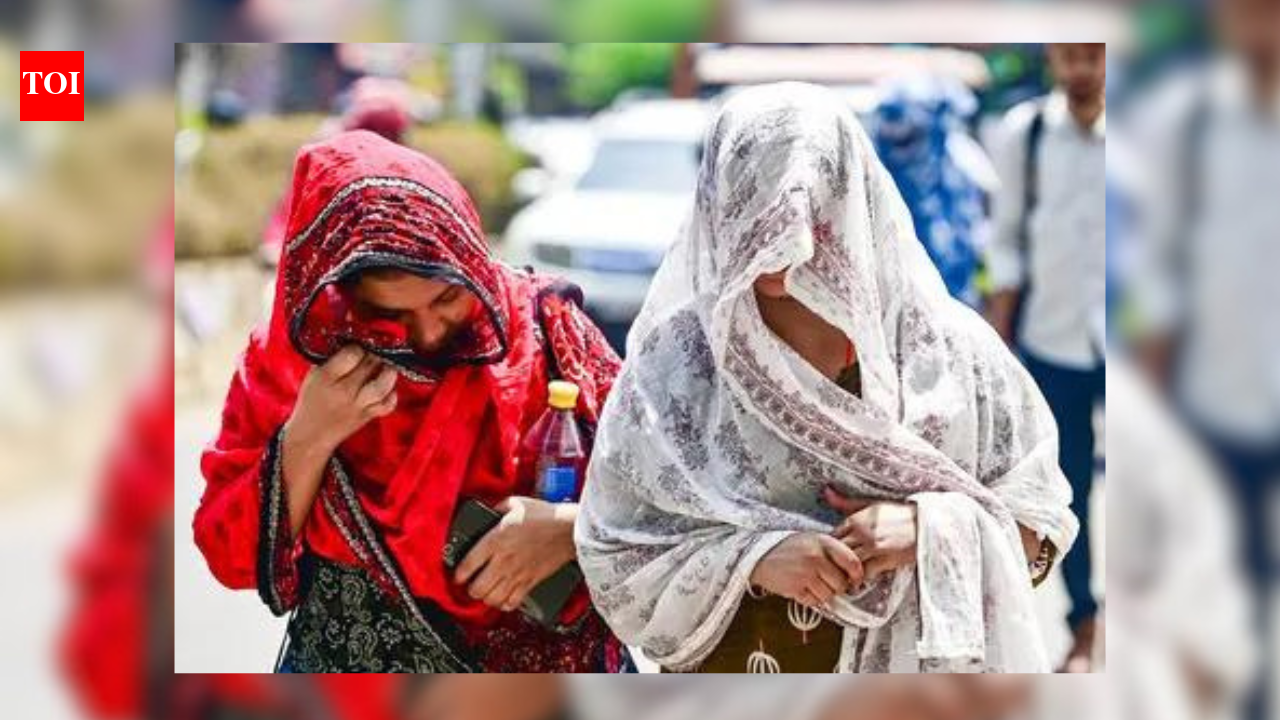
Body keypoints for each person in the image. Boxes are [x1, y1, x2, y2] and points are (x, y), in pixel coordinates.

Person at [576, 82, 1076, 673]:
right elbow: (612, 551)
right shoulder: (679, 364)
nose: (772, 228)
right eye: (749, 192)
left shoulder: (949, 352)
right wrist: (753, 559)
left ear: (846, 193)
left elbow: (1039, 530)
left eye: (796, 196)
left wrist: (926, 529)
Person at [194, 130, 630, 672]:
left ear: (470, 258)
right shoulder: (296, 364)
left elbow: (675, 497)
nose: (428, 333)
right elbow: (229, 557)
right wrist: (309, 435)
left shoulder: (551, 335)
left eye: (448, 298)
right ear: (343, 296)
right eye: (394, 317)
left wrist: (571, 529)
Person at [984, 43, 1106, 672]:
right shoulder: (1025, 133)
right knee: (1069, 489)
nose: (1082, 68)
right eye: (1070, 55)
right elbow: (1005, 238)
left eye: (1094, 55)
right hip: (1052, 337)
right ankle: (1084, 624)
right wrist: (1000, 334)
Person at [872, 77, 992, 306]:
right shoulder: (872, 165)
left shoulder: (963, 158)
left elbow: (991, 230)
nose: (893, 125)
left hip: (957, 296)